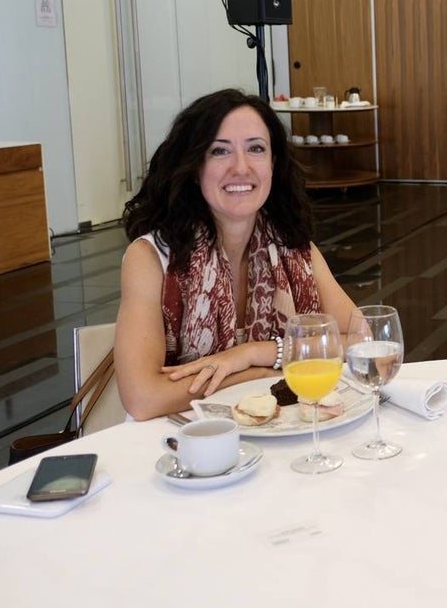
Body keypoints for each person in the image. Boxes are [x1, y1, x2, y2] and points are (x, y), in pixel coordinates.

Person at [115, 90, 358, 420]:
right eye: (220, 151)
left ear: (273, 163)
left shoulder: (295, 249)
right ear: (195, 166)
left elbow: (361, 338)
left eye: (256, 149)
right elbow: (143, 398)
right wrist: (256, 375)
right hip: (183, 438)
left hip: (277, 432)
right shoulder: (150, 258)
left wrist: (255, 353)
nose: (241, 167)